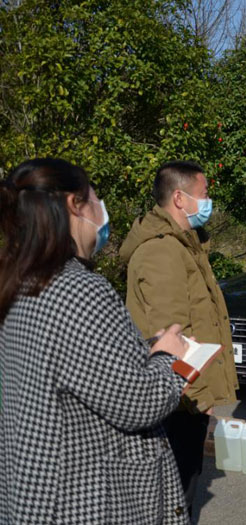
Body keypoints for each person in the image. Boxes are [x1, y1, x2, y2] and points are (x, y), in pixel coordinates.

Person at [0, 158, 190, 524]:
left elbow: (80, 370)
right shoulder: (77, 290)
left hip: (35, 487)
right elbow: (138, 402)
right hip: (85, 497)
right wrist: (172, 358)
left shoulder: (18, 282)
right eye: (95, 197)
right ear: (75, 204)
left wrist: (145, 352)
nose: (101, 208)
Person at [120, 160, 239, 517]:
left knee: (182, 491)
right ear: (179, 198)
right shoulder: (161, 250)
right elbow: (171, 334)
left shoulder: (185, 244)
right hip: (178, 398)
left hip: (183, 393)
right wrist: (198, 396)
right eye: (204, 194)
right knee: (174, 497)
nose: (209, 201)